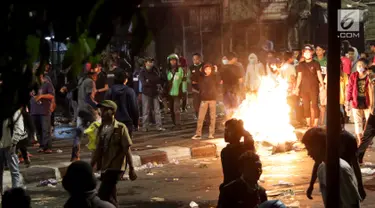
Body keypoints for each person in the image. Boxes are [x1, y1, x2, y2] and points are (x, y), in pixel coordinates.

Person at [304, 114, 366, 201]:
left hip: (343, 177)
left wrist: (360, 185)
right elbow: (317, 161)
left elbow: (355, 164)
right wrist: (311, 184)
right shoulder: (326, 138)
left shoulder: (348, 139)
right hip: (331, 177)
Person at [91, 100, 137, 207]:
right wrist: (91, 165)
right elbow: (98, 149)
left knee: (102, 195)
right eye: (101, 110)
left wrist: (131, 168)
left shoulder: (121, 127)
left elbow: (127, 149)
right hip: (105, 166)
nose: (102, 112)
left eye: (105, 110)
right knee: (111, 197)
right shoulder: (100, 128)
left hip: (116, 167)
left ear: (112, 112)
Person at [72, 69, 99, 161]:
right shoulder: (90, 82)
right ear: (93, 74)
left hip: (80, 109)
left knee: (79, 133)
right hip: (88, 111)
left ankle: (75, 156)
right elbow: (88, 98)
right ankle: (96, 154)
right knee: (97, 130)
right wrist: (98, 106)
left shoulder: (81, 81)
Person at [295, 44, 325, 127]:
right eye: (305, 52)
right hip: (304, 88)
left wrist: (322, 84)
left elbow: (319, 74)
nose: (307, 54)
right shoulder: (301, 65)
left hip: (314, 87)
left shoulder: (316, 63)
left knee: (315, 105)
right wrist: (297, 87)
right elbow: (299, 77)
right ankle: (308, 123)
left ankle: (315, 124)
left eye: (309, 52)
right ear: (303, 54)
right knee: (306, 106)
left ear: (312, 53)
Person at [220, 119, 255, 185]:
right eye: (225, 130)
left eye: (228, 131)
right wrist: (243, 131)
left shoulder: (227, 151)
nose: (225, 133)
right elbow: (249, 140)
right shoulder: (245, 148)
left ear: (237, 133)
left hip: (237, 188)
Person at [0, 109, 27, 195]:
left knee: (14, 170)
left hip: (10, 145)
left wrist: (14, 142)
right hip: (2, 145)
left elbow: (19, 128)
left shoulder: (14, 111)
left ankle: (16, 194)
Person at [105, 69, 139, 137]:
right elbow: (134, 108)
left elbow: (105, 108)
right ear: (125, 79)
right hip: (127, 123)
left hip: (113, 123)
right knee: (126, 144)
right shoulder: (130, 91)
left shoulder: (110, 91)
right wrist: (135, 123)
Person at [346, 58, 371, 144]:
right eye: (358, 66)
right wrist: (348, 100)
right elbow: (349, 88)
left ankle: (365, 137)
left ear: (366, 67)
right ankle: (360, 139)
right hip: (356, 101)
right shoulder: (353, 75)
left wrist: (370, 75)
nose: (360, 67)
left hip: (368, 102)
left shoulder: (370, 76)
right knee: (358, 122)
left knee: (368, 121)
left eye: (362, 66)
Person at [192, 64, 219, 140]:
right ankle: (198, 134)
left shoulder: (214, 77)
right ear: (203, 70)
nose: (208, 71)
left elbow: (218, 81)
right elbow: (193, 79)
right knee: (200, 117)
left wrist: (216, 72)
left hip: (212, 99)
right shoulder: (201, 77)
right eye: (206, 69)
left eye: (209, 69)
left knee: (212, 117)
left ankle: (211, 134)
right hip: (204, 99)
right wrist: (198, 71)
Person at [30, 72, 55, 153]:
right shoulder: (32, 85)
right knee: (38, 130)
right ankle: (41, 146)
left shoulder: (47, 84)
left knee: (46, 129)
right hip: (34, 110)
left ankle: (48, 147)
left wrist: (41, 96)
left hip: (44, 110)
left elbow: (51, 96)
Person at [139, 58, 165, 132]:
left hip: (155, 92)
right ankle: (145, 127)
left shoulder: (155, 70)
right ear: (145, 63)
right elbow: (144, 83)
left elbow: (159, 79)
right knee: (145, 111)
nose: (151, 63)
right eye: (149, 62)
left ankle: (159, 126)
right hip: (146, 93)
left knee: (157, 111)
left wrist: (149, 80)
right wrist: (152, 81)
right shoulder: (142, 72)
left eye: (152, 62)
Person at [358, 67, 375, 164]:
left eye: (370, 73)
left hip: (374, 113)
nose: (368, 75)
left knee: (366, 136)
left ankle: (358, 157)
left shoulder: (373, 82)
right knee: (366, 136)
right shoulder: (371, 83)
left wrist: (372, 107)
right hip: (373, 113)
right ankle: (358, 157)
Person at [220, 52, 244, 121]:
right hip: (235, 91)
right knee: (236, 108)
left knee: (227, 109)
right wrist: (241, 90)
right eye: (235, 58)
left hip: (225, 91)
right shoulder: (237, 67)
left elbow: (220, 81)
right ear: (233, 59)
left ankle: (228, 123)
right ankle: (236, 124)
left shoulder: (222, 68)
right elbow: (240, 80)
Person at [166, 54, 184, 129]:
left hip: (177, 93)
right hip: (170, 93)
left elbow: (183, 81)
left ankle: (178, 124)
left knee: (176, 110)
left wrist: (183, 92)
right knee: (172, 110)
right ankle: (174, 123)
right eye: (171, 60)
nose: (172, 62)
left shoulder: (180, 70)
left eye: (174, 60)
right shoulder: (167, 71)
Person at [190, 53, 204, 118]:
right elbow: (189, 77)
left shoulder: (204, 66)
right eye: (194, 59)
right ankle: (198, 117)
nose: (195, 60)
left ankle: (204, 118)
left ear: (200, 59)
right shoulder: (191, 67)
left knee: (203, 104)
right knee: (196, 105)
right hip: (195, 89)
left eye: (197, 59)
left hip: (203, 89)